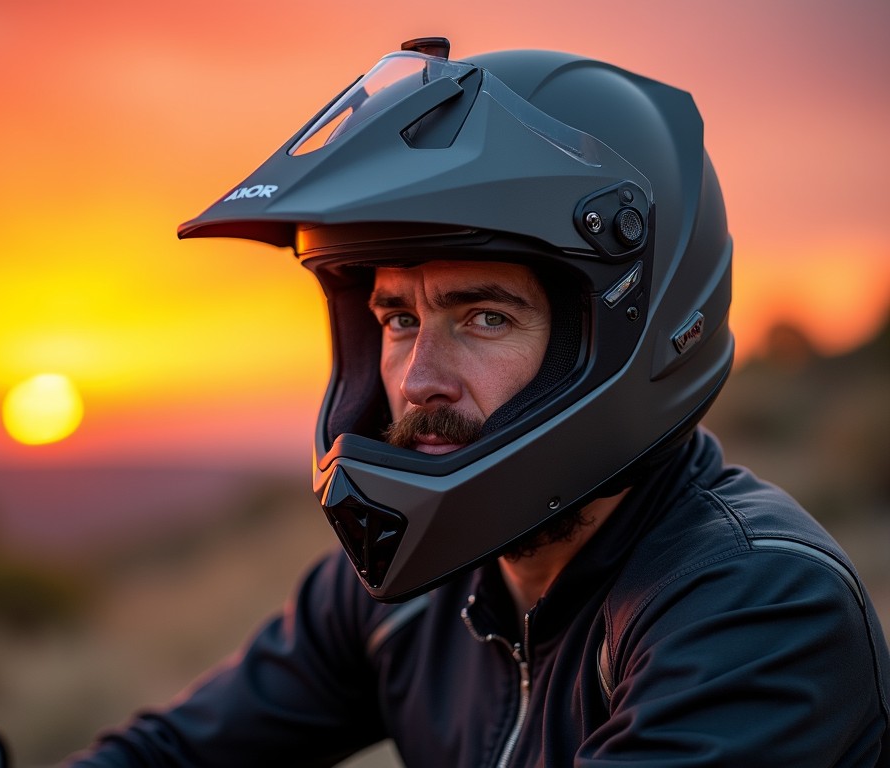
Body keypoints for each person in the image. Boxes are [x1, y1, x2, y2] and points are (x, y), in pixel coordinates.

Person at [67, 38, 890, 766]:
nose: (419, 377)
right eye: (396, 318)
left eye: (485, 316)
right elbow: (172, 750)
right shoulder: (405, 590)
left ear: (625, 331)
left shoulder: (758, 610)